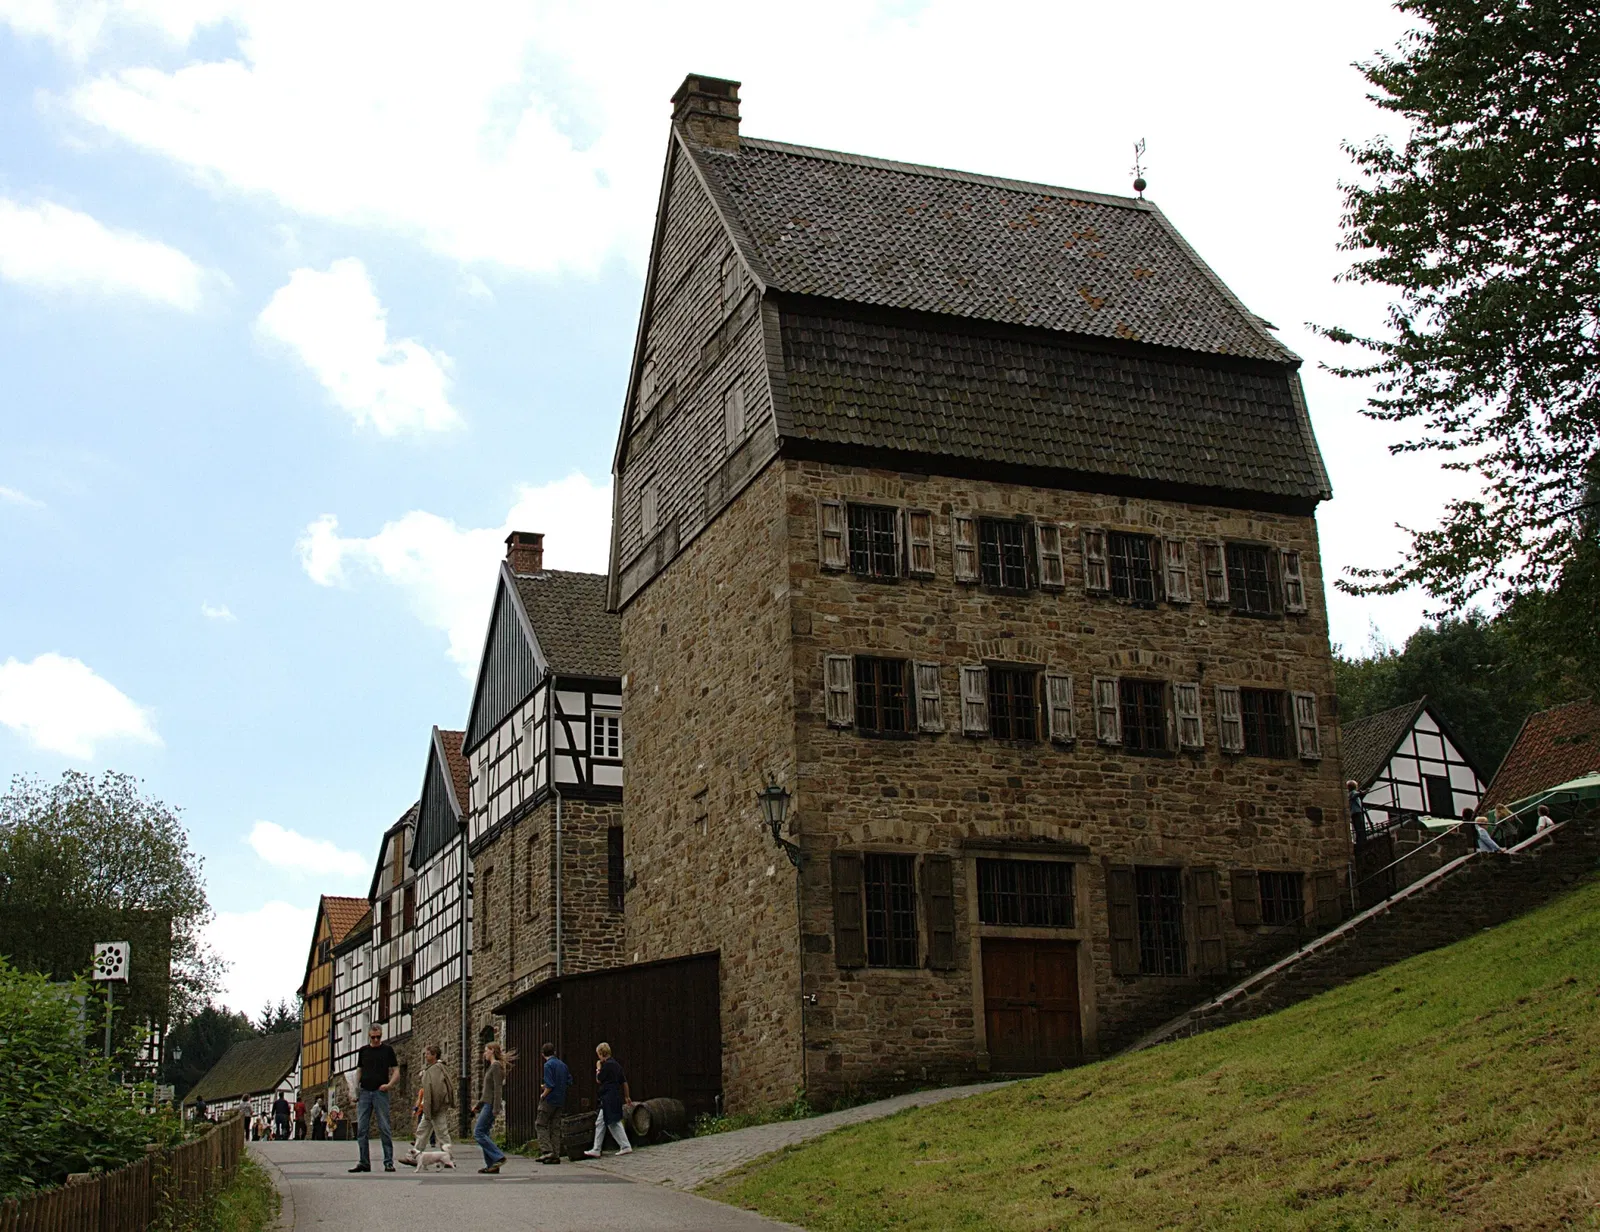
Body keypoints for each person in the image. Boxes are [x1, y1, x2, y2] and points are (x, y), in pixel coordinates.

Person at [349, 1025, 400, 1173]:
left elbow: (396, 1070)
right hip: (365, 1092)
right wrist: (355, 1089)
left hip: (380, 1091)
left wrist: (389, 1085)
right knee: (362, 1128)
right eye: (373, 1037)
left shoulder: (387, 1050)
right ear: (369, 1036)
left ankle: (388, 1162)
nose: (376, 1040)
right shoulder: (363, 1051)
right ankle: (364, 1162)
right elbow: (359, 1070)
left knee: (384, 1127)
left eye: (379, 1037)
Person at [401, 1045, 455, 1166]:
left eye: (428, 1054)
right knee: (422, 1131)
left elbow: (436, 1090)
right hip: (431, 1106)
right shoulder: (435, 1069)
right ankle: (415, 1156)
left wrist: (432, 1107)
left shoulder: (435, 1070)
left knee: (441, 1132)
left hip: (435, 1106)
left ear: (434, 1055)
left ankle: (449, 1158)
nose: (425, 1056)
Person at [583, 1042, 632, 1158]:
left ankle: (624, 1146)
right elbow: (624, 1082)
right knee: (603, 1122)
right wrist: (627, 1096)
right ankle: (597, 1148)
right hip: (615, 1095)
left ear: (601, 1053)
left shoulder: (606, 1066)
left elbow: (599, 1080)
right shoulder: (617, 1065)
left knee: (612, 1122)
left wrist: (598, 1069)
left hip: (607, 1097)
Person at [473, 1042, 511, 1174]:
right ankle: (492, 1165)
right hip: (487, 1103)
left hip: (491, 1105)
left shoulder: (496, 1067)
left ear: (492, 1051)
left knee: (478, 1133)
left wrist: (496, 1108)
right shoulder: (491, 1067)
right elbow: (487, 1091)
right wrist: (478, 1105)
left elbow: (497, 1089)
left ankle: (498, 1157)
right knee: (485, 1133)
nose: (484, 1053)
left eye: (486, 1050)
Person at [535, 1042, 572, 1164]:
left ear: (542, 1054)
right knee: (555, 1127)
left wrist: (543, 1094)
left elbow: (550, 1085)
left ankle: (547, 1151)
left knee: (540, 1124)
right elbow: (569, 1081)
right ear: (554, 1052)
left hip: (549, 1099)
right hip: (560, 1099)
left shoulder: (548, 1065)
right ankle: (556, 1154)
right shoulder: (563, 1065)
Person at [1346, 780, 1369, 846]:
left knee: (1358, 827)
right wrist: (1364, 792)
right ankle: (1362, 840)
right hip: (1357, 812)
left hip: (1354, 812)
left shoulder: (1350, 794)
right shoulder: (1353, 792)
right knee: (1360, 826)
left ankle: (1360, 840)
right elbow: (1356, 794)